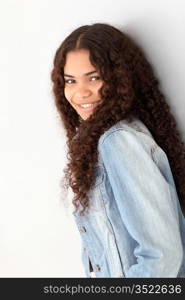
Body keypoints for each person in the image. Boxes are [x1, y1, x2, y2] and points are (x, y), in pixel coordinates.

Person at [51, 23, 185, 277]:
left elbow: (162, 255)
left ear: (119, 78)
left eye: (94, 77)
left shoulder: (118, 141)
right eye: (70, 80)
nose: (80, 92)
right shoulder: (96, 140)